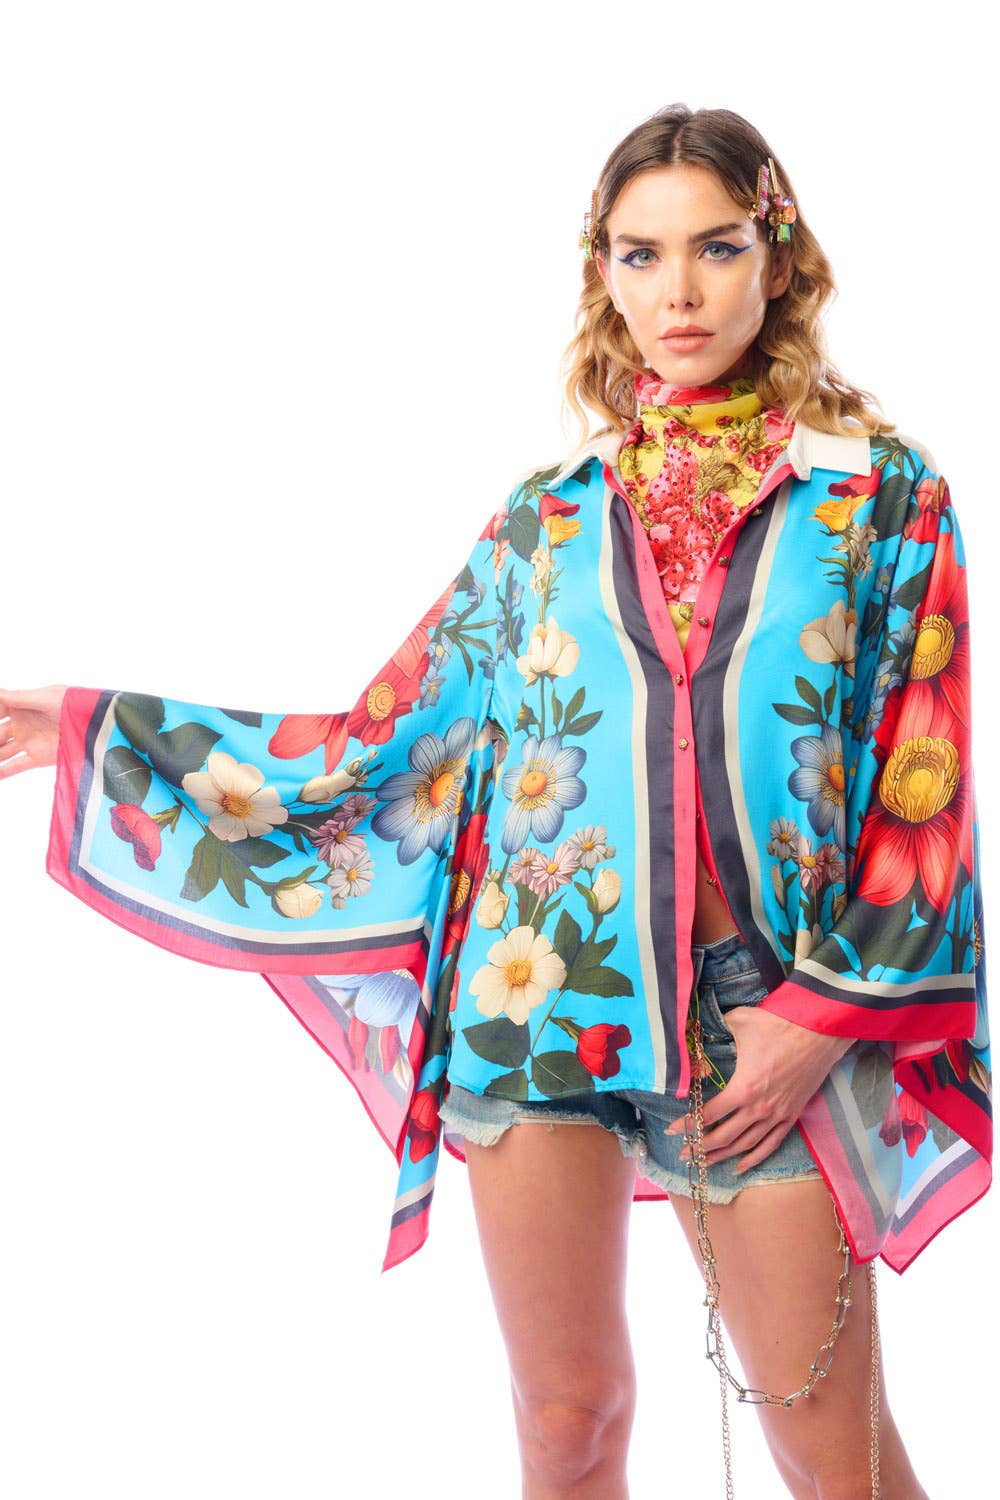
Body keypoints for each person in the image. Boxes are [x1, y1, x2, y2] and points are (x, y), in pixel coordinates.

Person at [1, 104, 990, 1498]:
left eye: (715, 247)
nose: (680, 291)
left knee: (835, 1453)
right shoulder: (546, 518)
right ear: (605, 275)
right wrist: (92, 726)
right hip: (539, 997)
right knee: (567, 1424)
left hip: (770, 1008)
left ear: (776, 258)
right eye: (641, 255)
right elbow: (377, 749)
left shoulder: (882, 499)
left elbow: (921, 795)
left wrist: (813, 1023)